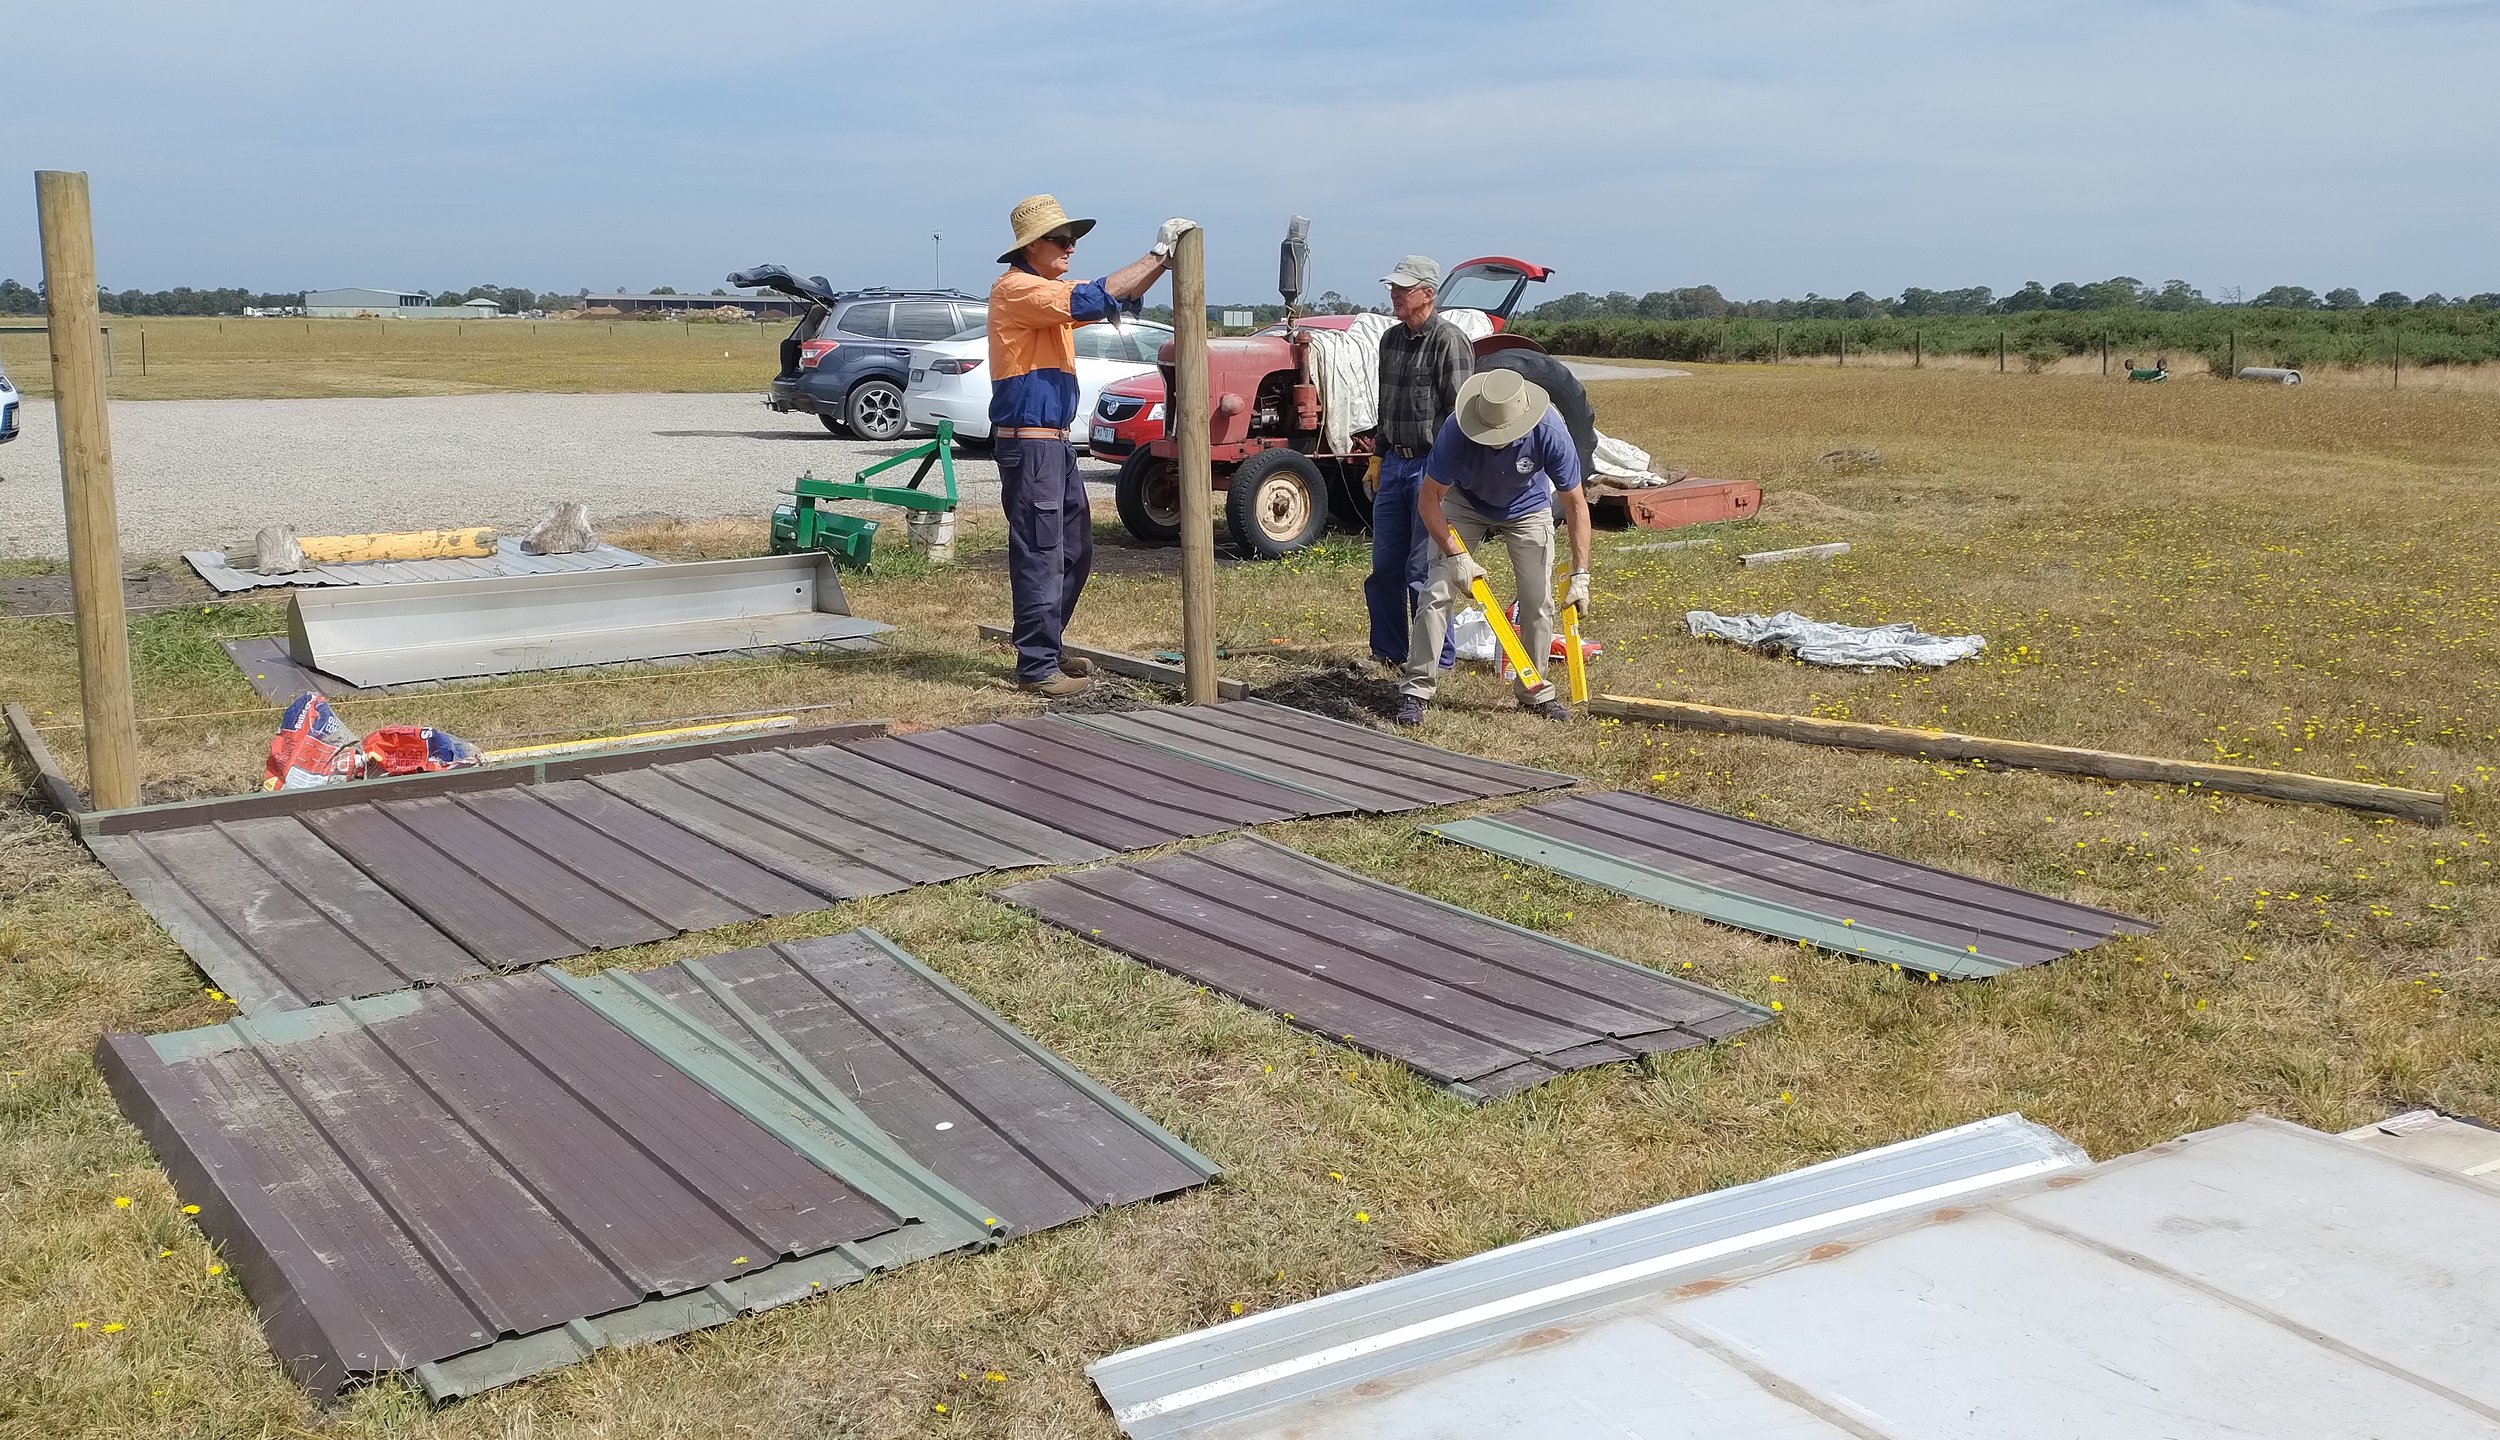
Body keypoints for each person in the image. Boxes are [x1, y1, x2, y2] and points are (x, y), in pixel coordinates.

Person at [989, 195, 1195, 696]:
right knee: (1040, 550)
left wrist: (1163, 263)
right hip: (1032, 444)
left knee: (1074, 549)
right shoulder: (1018, 290)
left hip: (1053, 447)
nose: (1071, 247)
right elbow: (1094, 297)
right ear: (1031, 246)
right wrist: (1158, 252)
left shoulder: (1047, 290)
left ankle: (1047, 646)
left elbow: (1113, 299)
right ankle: (1036, 666)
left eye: (1072, 239)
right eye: (1061, 240)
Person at [1398, 368, 1592, 727]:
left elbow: (1576, 503)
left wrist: (1581, 573)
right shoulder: (1456, 431)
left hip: (1528, 507)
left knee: (1538, 600)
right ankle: (1416, 690)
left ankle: (1534, 691)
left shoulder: (1549, 430)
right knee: (1437, 591)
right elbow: (1429, 502)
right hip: (1464, 504)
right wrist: (1457, 556)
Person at [1365, 255, 1474, 670]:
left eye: (1402, 288)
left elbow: (1461, 416)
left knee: (1422, 567)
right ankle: (1388, 652)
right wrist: (1378, 455)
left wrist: (1444, 475)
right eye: (1392, 287)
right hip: (1394, 463)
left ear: (1427, 294)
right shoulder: (1390, 341)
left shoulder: (1449, 341)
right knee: (1385, 565)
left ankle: (1436, 659)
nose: (1394, 294)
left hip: (1432, 465)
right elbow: (1386, 406)